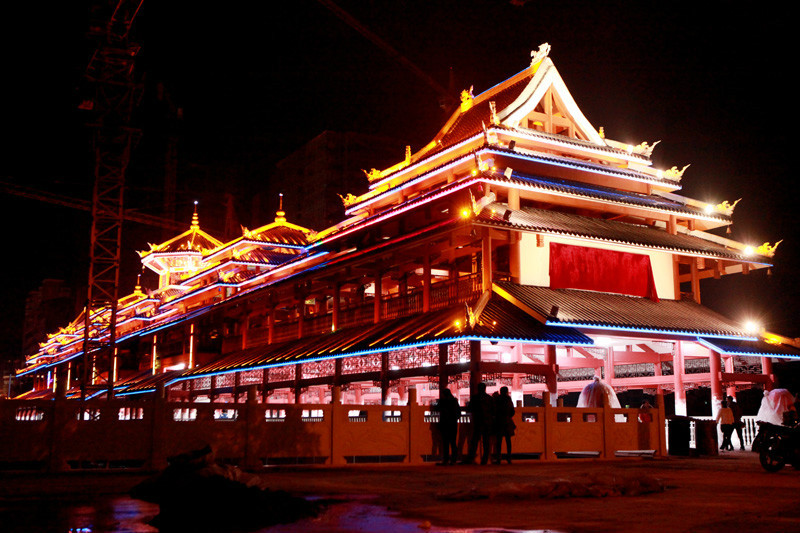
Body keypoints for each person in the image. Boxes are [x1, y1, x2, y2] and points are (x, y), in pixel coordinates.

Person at [464, 382, 494, 464]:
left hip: (478, 421)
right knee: (486, 442)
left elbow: (470, 408)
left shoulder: (475, 398)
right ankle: (485, 459)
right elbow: (493, 410)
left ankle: (471, 457)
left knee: (474, 441)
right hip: (487, 422)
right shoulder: (489, 398)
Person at [436, 387, 460, 465]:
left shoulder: (442, 402)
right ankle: (453, 459)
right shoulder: (454, 401)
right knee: (453, 442)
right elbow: (458, 413)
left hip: (444, 424)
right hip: (453, 424)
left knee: (445, 443)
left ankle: (446, 459)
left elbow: (437, 409)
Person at [493, 386, 516, 464]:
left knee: (499, 441)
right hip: (507, 422)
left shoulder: (497, 399)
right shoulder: (508, 399)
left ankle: (498, 458)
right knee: (508, 441)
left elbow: (494, 410)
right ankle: (509, 458)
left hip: (498, 422)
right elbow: (512, 411)